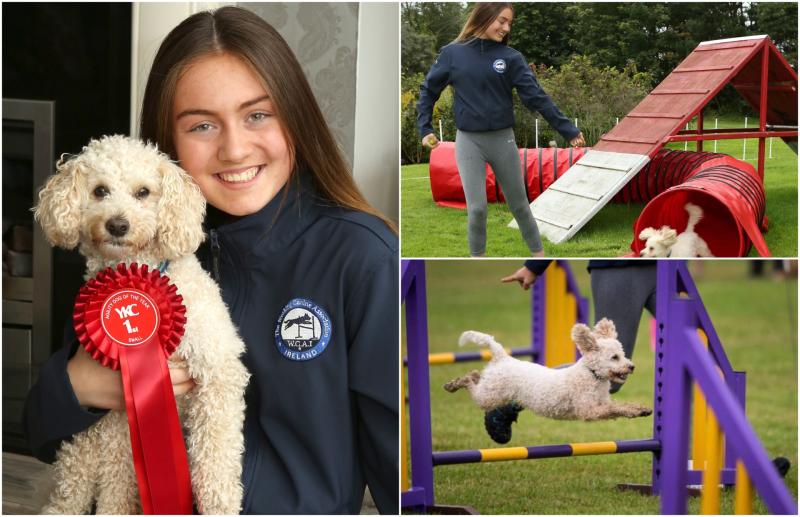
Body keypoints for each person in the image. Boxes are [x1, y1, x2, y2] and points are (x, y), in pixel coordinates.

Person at [23, 6, 398, 515]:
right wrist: (77, 386)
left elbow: (395, 459)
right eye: (201, 125)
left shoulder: (362, 255)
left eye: (257, 115)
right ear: (166, 141)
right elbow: (43, 435)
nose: (235, 149)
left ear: (295, 116)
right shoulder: (133, 257)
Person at [416, 3, 585, 258]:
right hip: (469, 142)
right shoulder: (452, 54)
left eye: (509, 23)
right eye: (502, 21)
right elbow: (428, 90)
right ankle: (477, 262)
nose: (506, 28)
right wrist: (425, 128)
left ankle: (539, 259)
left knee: (520, 206)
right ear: (484, 16)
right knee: (477, 209)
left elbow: (537, 97)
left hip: (502, 140)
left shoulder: (511, 58)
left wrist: (568, 129)